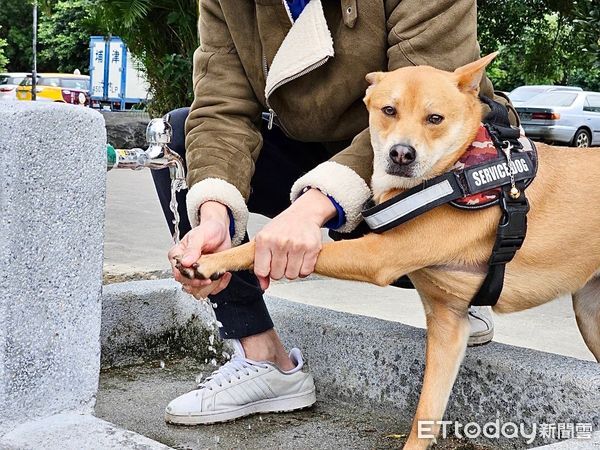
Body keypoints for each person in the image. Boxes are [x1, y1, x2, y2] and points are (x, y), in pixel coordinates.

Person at [153, 0, 503, 426]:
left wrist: (315, 204)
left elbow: (424, 104)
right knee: (175, 134)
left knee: (420, 147)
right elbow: (221, 109)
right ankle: (262, 357)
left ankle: (459, 284)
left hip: (434, 170)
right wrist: (215, 215)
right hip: (310, 153)